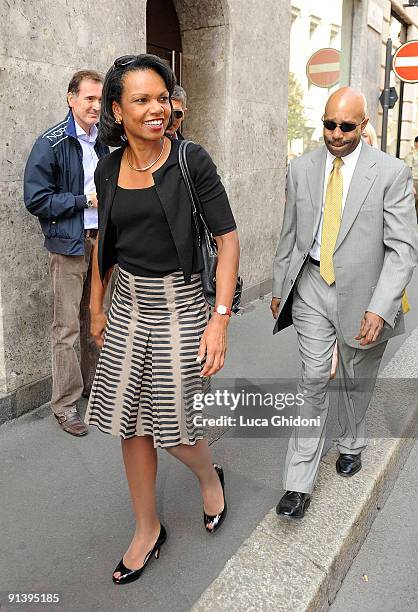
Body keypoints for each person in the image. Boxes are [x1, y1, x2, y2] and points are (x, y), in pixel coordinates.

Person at [84, 54, 240, 584]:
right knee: (129, 423)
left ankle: (208, 477)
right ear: (116, 110)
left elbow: (227, 238)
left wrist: (219, 320)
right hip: (127, 299)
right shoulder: (107, 167)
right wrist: (96, 301)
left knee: (172, 427)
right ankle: (147, 528)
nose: (157, 109)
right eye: (142, 100)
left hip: (181, 303)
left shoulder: (192, 162)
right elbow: (106, 237)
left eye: (162, 97)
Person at [271, 87, 418, 519]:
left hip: (367, 292)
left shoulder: (390, 173)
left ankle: (352, 441)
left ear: (364, 124)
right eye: (328, 124)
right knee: (314, 377)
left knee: (356, 378)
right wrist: (282, 285)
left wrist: (380, 306)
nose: (335, 134)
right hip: (313, 283)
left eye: (346, 126)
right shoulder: (300, 168)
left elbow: (403, 249)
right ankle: (298, 483)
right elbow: (289, 233)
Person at [24, 70, 109, 436]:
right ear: (71, 98)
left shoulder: (103, 141)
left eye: (100, 99)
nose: (96, 105)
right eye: (89, 98)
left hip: (101, 242)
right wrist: (81, 200)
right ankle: (64, 404)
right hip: (69, 243)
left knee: (97, 319)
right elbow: (36, 199)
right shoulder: (51, 143)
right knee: (67, 327)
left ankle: (95, 389)